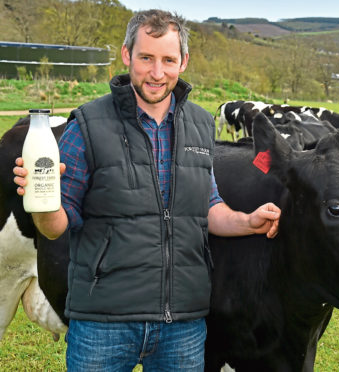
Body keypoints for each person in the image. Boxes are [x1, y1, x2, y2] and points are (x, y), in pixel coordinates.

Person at [13, 9, 280, 372]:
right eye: (146, 58)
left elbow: (207, 205)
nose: (157, 73)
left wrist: (247, 221)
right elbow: (55, 226)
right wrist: (41, 201)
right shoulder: (87, 125)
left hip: (182, 326)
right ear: (127, 56)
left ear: (183, 61)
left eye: (168, 59)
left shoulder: (201, 125)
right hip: (102, 325)